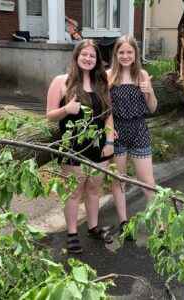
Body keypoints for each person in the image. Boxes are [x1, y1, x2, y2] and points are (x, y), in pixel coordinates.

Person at [46, 39, 115, 254]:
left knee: (94, 189)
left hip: (99, 145)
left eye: (92, 56)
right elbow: (49, 115)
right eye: (84, 54)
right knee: (74, 192)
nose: (88, 58)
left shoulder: (101, 84)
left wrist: (110, 141)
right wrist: (66, 109)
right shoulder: (62, 82)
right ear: (76, 56)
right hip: (73, 146)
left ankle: (93, 227)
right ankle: (73, 233)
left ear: (97, 61)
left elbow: (108, 116)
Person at [108, 35, 158, 235]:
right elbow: (105, 108)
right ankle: (123, 222)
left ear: (135, 53)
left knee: (148, 181)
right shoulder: (109, 76)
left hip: (139, 130)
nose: (125, 56)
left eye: (129, 52)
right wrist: (109, 131)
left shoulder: (143, 75)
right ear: (116, 54)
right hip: (118, 131)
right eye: (121, 52)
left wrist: (150, 92)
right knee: (118, 179)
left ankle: (158, 224)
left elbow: (152, 108)